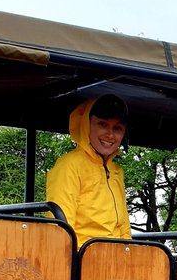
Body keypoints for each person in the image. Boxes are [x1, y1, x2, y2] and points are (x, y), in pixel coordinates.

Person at [46, 95, 132, 245]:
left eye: (117, 128)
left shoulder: (116, 171)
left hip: (114, 254)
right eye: (102, 124)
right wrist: (76, 255)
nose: (110, 135)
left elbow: (124, 228)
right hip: (83, 253)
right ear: (87, 125)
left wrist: (128, 251)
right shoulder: (70, 165)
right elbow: (60, 227)